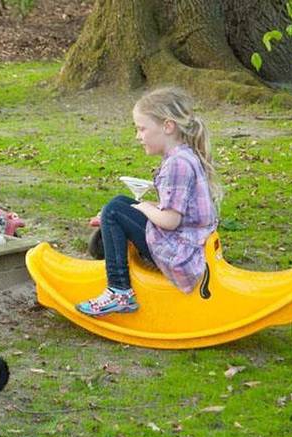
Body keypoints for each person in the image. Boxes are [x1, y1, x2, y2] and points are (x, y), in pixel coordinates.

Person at [77, 87, 221, 317]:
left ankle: (119, 291)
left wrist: (142, 207)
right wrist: (134, 209)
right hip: (188, 243)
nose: (138, 136)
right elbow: (176, 210)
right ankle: (113, 236)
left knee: (115, 210)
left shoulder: (178, 164)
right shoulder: (183, 157)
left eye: (142, 128)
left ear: (167, 126)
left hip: (181, 254)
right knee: (118, 205)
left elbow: (171, 221)